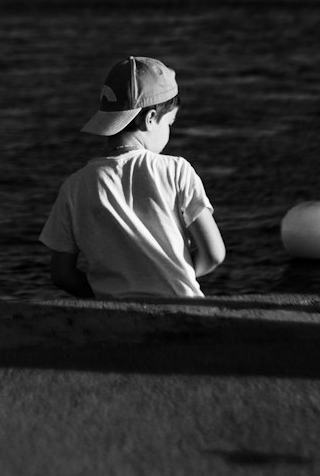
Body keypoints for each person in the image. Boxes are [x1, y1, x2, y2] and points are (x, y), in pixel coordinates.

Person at [39, 55, 225, 300]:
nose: (169, 131)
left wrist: (103, 298)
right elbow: (214, 254)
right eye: (170, 123)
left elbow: (61, 274)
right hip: (184, 309)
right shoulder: (177, 170)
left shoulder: (74, 186)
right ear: (150, 119)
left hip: (115, 321)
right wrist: (179, 274)